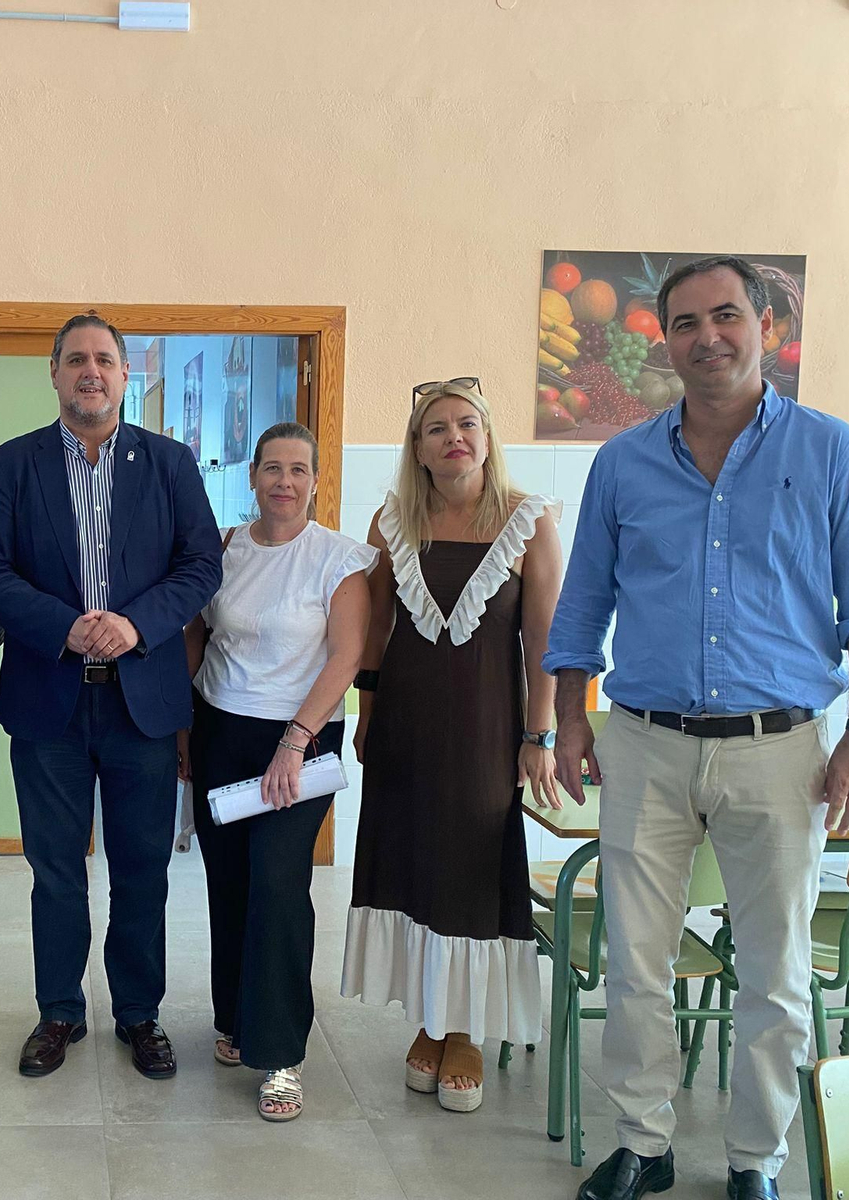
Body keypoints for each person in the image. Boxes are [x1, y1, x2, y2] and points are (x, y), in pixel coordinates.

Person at [546, 257, 849, 1200]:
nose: (708, 337)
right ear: (667, 340)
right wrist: (570, 720)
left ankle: (755, 1160)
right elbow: (583, 606)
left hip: (781, 752)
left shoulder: (833, 451)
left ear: (766, 327)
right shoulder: (622, 463)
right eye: (686, 322)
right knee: (635, 966)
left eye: (726, 316)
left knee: (775, 979)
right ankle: (643, 1143)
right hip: (644, 743)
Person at [0, 313, 223, 1079]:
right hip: (51, 698)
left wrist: (136, 623)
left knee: (143, 866)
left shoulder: (170, 464)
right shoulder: (13, 465)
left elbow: (201, 565)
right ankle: (59, 1012)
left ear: (124, 374)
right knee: (54, 870)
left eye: (105, 360)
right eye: (76, 359)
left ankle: (139, 1013)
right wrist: (65, 627)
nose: (91, 372)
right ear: (54, 373)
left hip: (143, 703)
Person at [342, 377, 561, 1115]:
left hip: (487, 726)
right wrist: (366, 708)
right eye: (436, 429)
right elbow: (375, 628)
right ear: (417, 446)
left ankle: (464, 1030)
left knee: (470, 863)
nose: (454, 438)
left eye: (467, 424)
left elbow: (545, 644)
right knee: (413, 860)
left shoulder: (529, 522)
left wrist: (541, 734)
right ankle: (429, 1022)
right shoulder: (392, 522)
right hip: (405, 722)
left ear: (488, 437)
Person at [180, 422, 372, 1120]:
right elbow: (198, 631)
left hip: (302, 738)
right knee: (228, 882)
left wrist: (296, 741)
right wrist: (183, 722)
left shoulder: (340, 559)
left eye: (297, 470)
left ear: (316, 480)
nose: (284, 482)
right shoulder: (226, 548)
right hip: (220, 729)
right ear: (252, 476)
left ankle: (281, 1052)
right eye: (271, 469)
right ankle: (234, 1016)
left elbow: (346, 657)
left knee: (278, 886)